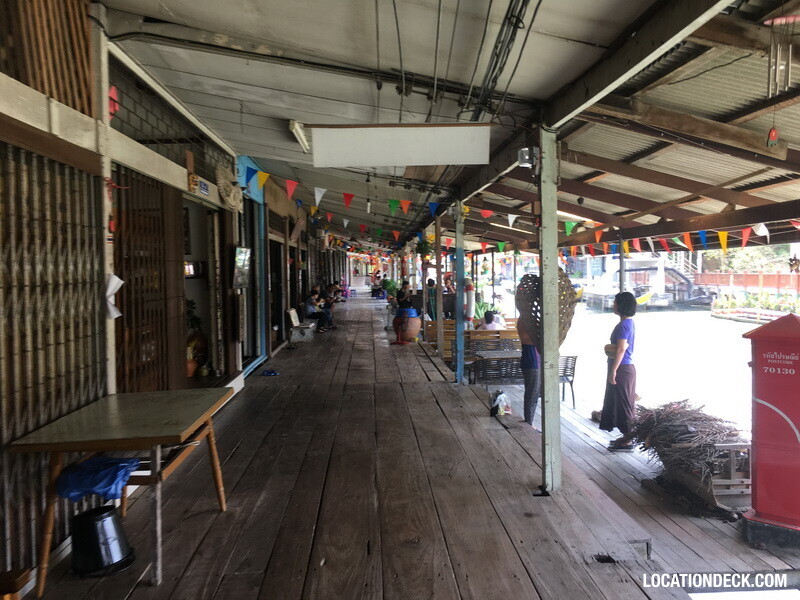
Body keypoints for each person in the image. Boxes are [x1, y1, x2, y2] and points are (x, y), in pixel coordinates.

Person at [601, 291, 638, 451]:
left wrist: (613, 371)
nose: (613, 305)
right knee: (621, 402)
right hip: (624, 368)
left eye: (615, 302)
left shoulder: (624, 325)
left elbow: (621, 349)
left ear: (621, 305)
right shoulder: (628, 323)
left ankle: (629, 440)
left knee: (624, 404)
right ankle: (625, 437)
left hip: (622, 368)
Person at [517, 316, 541, 429]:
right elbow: (527, 338)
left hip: (537, 362)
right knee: (532, 394)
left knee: (535, 394)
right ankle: (529, 423)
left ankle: (530, 422)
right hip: (532, 363)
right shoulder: (523, 320)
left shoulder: (530, 320)